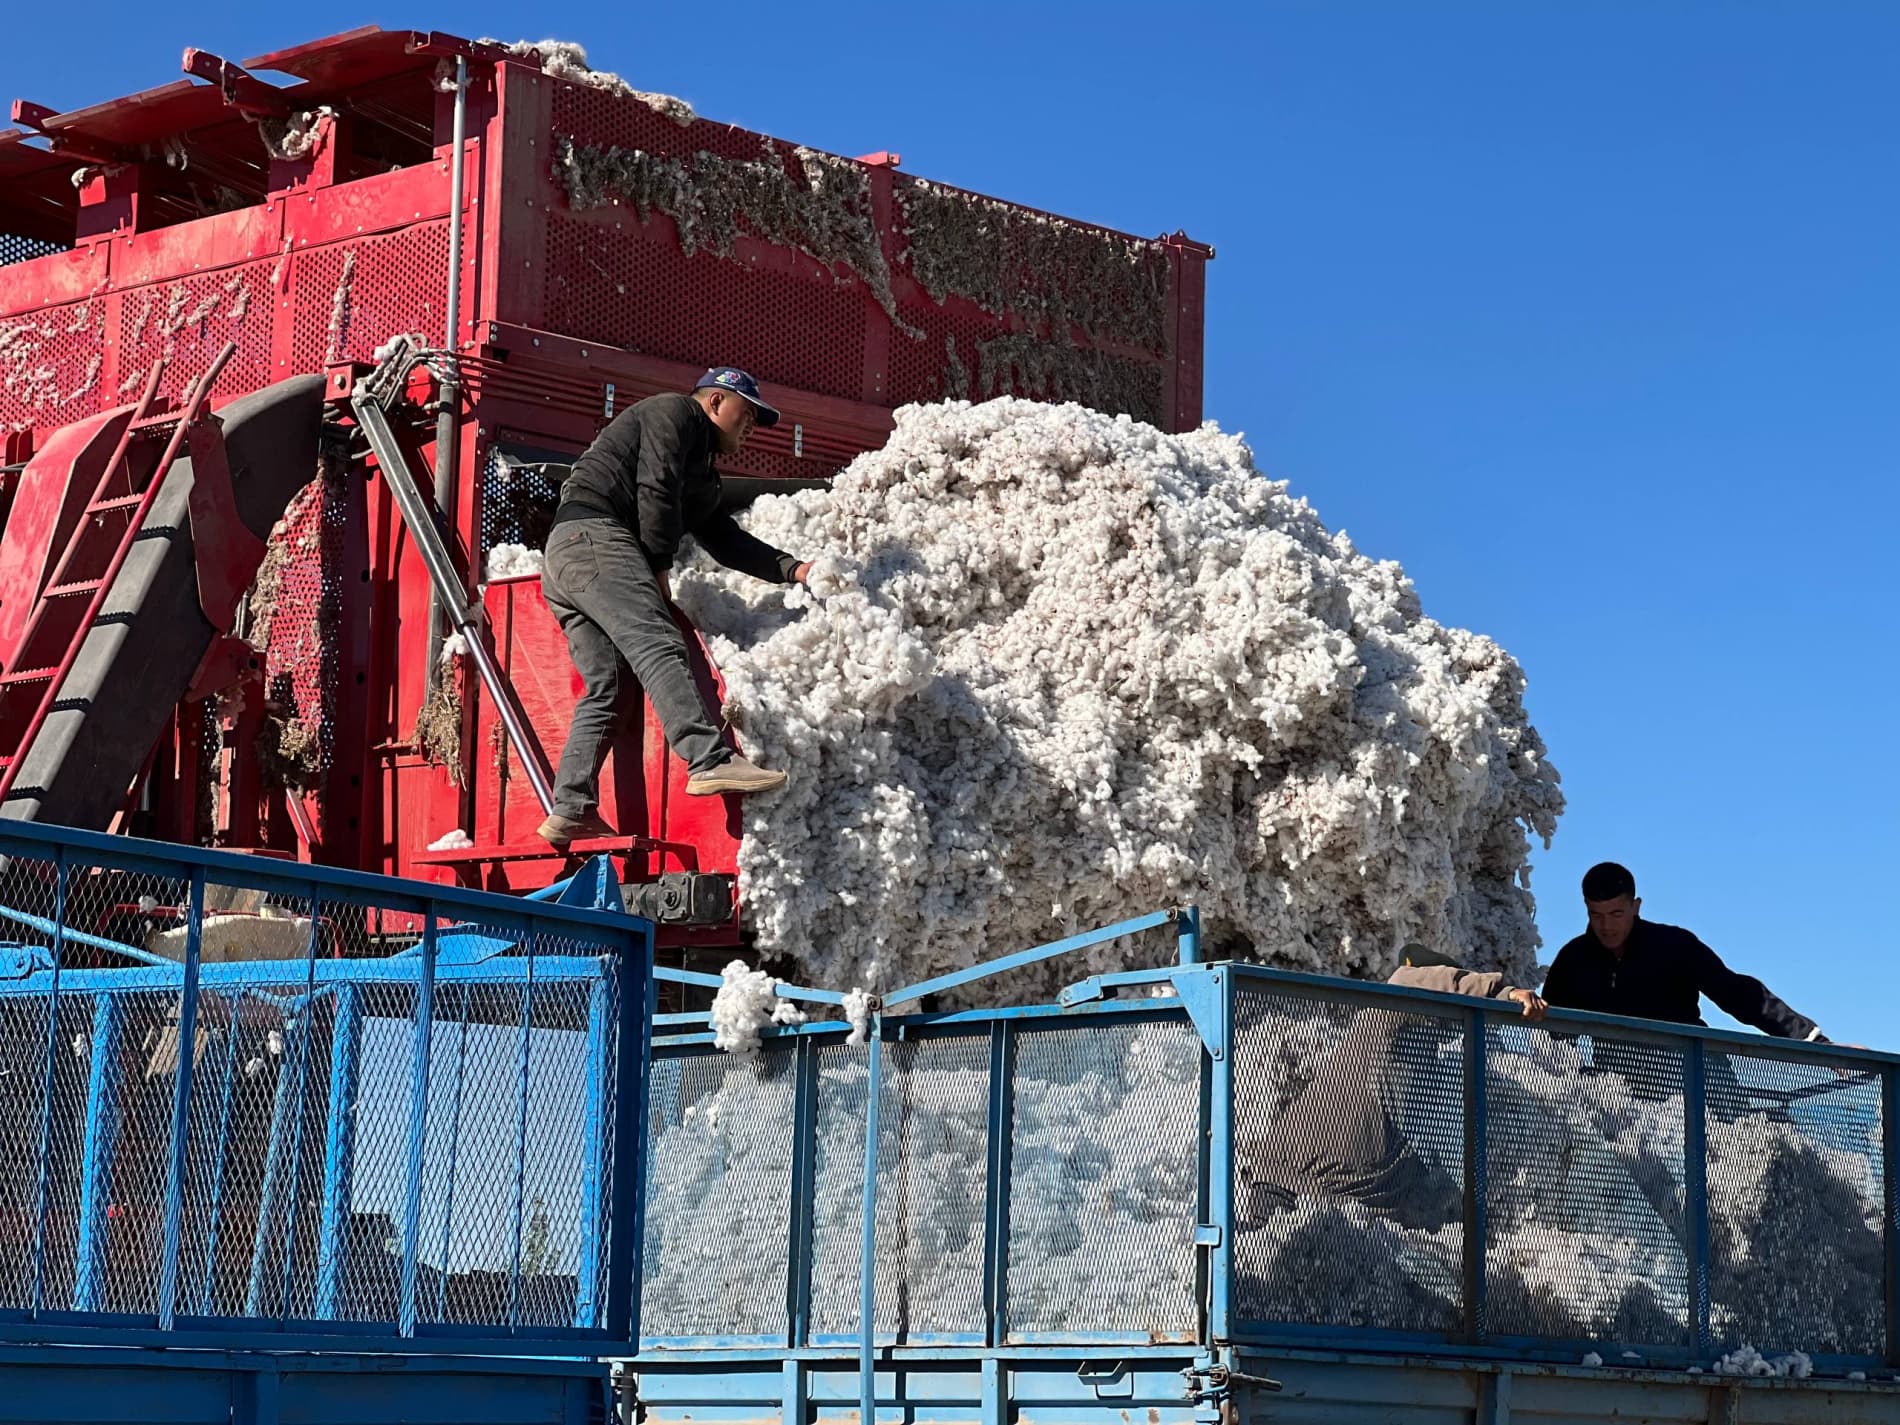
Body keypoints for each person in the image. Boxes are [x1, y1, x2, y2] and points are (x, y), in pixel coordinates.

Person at [537, 367, 812, 848]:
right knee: (659, 642)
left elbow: (725, 539)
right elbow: (656, 485)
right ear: (715, 401)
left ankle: (572, 808)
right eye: (748, 413)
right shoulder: (675, 412)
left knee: (611, 686)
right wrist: (659, 565)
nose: (751, 427)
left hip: (568, 557)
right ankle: (708, 760)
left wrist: (794, 569)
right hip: (595, 537)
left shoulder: (701, 472)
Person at [1239, 946, 1546, 1230]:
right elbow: (1411, 979)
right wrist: (1502, 994)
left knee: (1266, 1247)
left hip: (1294, 1168)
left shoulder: (1412, 1047)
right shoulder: (1394, 1008)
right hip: (1325, 1167)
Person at [1541, 862, 1825, 1042]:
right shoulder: (1573, 960)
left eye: (1616, 914)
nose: (1606, 926)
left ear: (1636, 907)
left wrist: (1812, 1039)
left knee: (1732, 1119)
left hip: (1693, 1065)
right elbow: (1553, 1032)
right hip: (1619, 1083)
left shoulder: (1674, 945)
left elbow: (1737, 993)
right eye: (1596, 915)